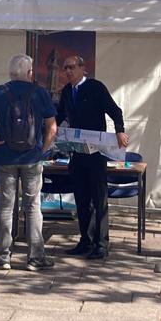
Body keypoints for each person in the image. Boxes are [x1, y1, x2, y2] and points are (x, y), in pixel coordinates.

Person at [0, 54, 57, 271]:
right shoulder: (40, 93)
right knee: (33, 206)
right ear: (29, 73)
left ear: (10, 73)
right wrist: (42, 150)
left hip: (5, 158)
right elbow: (52, 128)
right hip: (31, 158)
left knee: (6, 206)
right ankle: (35, 257)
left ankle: (4, 257)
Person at [56, 55, 129, 260]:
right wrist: (52, 131)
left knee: (99, 199)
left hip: (96, 152)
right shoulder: (67, 92)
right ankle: (85, 240)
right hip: (77, 152)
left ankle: (101, 244)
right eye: (65, 68)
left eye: (71, 67)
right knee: (81, 198)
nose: (68, 71)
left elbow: (115, 111)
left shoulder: (95, 87)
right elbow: (60, 115)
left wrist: (120, 131)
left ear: (82, 68)